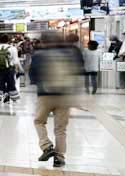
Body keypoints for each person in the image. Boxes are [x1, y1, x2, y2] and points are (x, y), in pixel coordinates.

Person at [28, 31, 84, 168]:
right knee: (60, 129)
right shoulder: (70, 54)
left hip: (45, 95)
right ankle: (59, 158)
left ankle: (46, 146)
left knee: (39, 121)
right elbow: (78, 72)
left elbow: (32, 76)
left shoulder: (39, 55)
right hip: (64, 96)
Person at [0, 33, 21, 104]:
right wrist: (17, 69)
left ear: (0, 40)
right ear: (8, 40)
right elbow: (16, 60)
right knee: (11, 83)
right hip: (9, 69)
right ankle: (12, 99)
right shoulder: (12, 48)